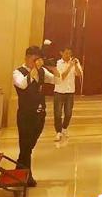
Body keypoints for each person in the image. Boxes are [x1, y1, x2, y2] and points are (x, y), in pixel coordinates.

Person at [13, 46, 60, 185]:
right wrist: (34, 69)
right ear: (27, 58)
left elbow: (57, 81)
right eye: (34, 59)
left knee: (28, 145)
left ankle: (19, 170)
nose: (37, 62)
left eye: (38, 59)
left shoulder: (42, 71)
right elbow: (22, 85)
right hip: (25, 115)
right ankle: (27, 177)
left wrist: (54, 69)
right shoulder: (18, 72)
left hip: (40, 114)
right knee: (25, 145)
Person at [53, 48, 82, 142]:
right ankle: (58, 132)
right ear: (61, 53)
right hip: (59, 91)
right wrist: (70, 66)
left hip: (70, 92)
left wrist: (76, 65)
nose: (68, 55)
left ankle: (64, 128)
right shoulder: (58, 63)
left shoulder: (74, 62)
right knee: (57, 114)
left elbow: (79, 75)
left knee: (68, 113)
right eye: (66, 53)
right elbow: (62, 76)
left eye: (70, 53)